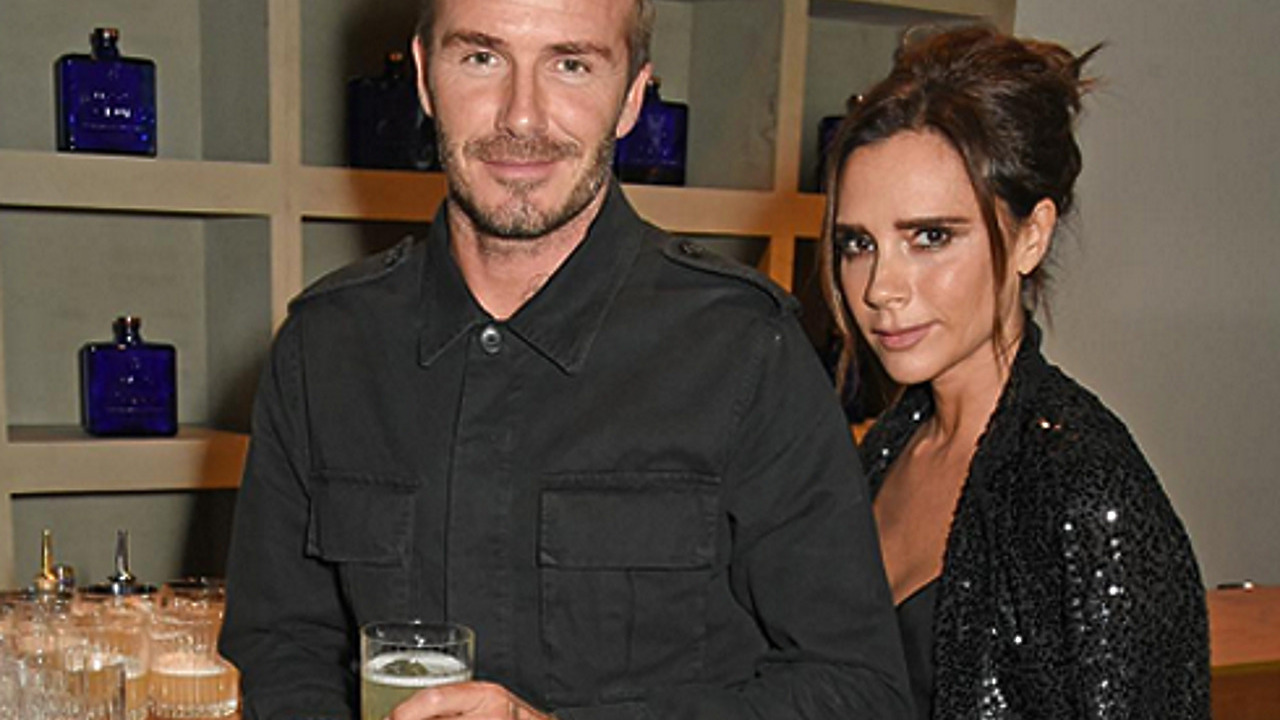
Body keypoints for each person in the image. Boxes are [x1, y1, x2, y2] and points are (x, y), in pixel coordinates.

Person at [220, 1, 913, 718]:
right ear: (424, 79)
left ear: (632, 98)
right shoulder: (325, 347)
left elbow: (858, 692)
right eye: (482, 58)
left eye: (572, 65)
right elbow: (282, 649)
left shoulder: (745, 349)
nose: (521, 116)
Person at [820, 26, 1209, 719]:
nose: (881, 287)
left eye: (930, 237)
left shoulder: (1086, 489)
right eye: (858, 244)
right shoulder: (887, 447)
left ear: (1032, 234)